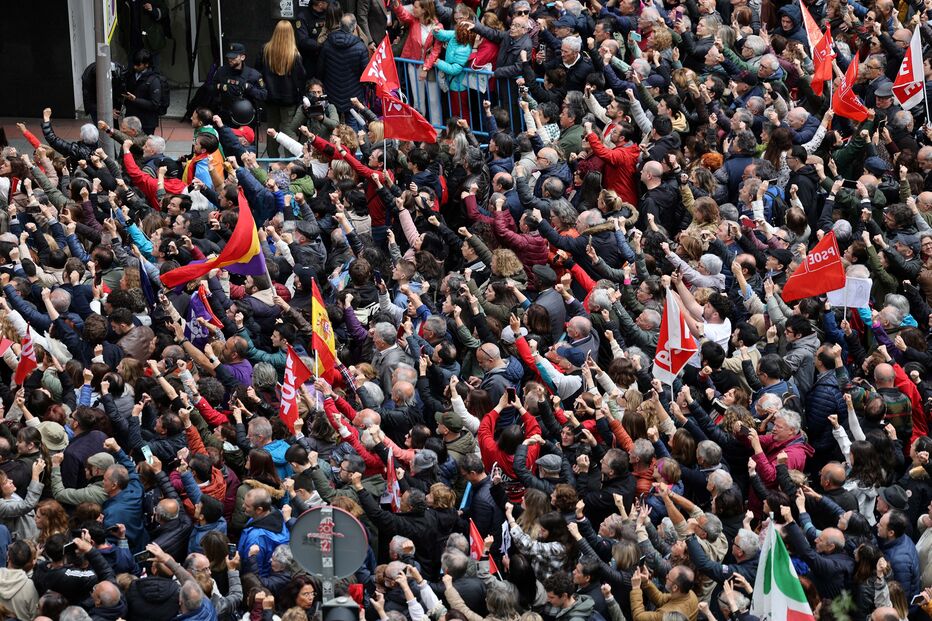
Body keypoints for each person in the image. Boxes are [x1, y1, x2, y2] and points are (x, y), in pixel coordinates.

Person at [213, 42, 268, 127]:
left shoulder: (253, 75)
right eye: (229, 57)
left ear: (242, 57)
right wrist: (220, 87)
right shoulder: (221, 71)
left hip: (245, 118)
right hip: (226, 116)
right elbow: (211, 88)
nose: (230, 59)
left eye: (234, 57)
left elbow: (263, 95)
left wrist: (250, 88)